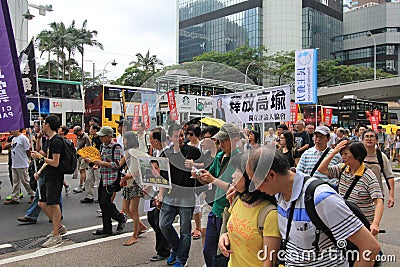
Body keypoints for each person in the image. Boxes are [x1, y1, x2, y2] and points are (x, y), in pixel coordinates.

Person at [247, 146, 380, 266]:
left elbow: (370, 247)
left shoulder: (321, 198)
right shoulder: (278, 193)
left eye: (256, 183)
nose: (256, 188)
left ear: (272, 175)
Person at [218, 152, 281, 267]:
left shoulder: (269, 214)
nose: (233, 175)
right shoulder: (237, 200)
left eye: (238, 171)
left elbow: (269, 261)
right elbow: (235, 229)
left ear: (250, 177)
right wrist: (225, 236)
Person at [194, 123, 240, 267]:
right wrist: (198, 175)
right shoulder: (219, 155)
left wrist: (212, 179)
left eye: (225, 139)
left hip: (229, 211)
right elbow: (210, 176)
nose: (221, 143)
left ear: (235, 139)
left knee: (223, 254)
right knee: (208, 250)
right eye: (219, 140)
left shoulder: (240, 158)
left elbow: (235, 188)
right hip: (215, 209)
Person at [317, 140, 384, 235]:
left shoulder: (368, 176)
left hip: (363, 226)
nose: (343, 157)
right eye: (341, 154)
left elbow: (379, 202)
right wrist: (334, 152)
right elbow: (321, 169)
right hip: (345, 222)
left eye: (346, 154)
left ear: (357, 155)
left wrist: (375, 223)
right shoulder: (342, 168)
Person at [157, 124, 201, 267]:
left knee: (185, 231)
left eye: (182, 135)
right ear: (170, 138)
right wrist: (160, 195)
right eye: (177, 136)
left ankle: (182, 259)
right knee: (163, 225)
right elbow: (163, 177)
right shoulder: (165, 154)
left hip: (187, 197)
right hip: (170, 196)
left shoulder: (193, 151)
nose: (181, 138)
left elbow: (207, 163)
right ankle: (176, 249)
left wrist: (195, 164)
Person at [31, 115, 67, 248]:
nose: (42, 125)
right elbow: (48, 160)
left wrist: (40, 156)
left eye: (44, 123)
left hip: (55, 177)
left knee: (53, 204)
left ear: (48, 125)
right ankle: (59, 227)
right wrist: (39, 171)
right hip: (47, 175)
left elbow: (55, 162)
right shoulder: (50, 140)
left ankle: (56, 235)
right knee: (41, 203)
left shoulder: (56, 141)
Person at [88, 126, 126, 236]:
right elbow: (100, 160)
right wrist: (94, 162)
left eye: (103, 136)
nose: (100, 138)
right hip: (102, 177)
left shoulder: (116, 147)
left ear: (109, 136)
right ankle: (107, 227)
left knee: (106, 203)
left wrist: (102, 163)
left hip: (111, 179)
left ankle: (120, 217)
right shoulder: (102, 146)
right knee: (102, 202)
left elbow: (117, 164)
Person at [119, 131, 148, 245]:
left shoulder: (137, 152)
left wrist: (128, 176)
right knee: (125, 208)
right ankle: (140, 226)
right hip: (128, 181)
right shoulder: (129, 152)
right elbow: (120, 164)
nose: (123, 142)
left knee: (133, 210)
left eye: (125, 140)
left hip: (135, 182)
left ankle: (134, 235)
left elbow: (141, 170)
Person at [147, 127, 171, 262]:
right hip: (158, 191)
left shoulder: (165, 154)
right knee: (153, 218)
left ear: (156, 140)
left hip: (163, 193)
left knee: (159, 221)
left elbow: (164, 178)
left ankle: (163, 250)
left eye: (151, 139)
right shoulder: (159, 152)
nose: (150, 142)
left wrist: (160, 196)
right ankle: (167, 244)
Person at [362, 129, 395, 208]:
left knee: (375, 220)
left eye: (372, 136)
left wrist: (391, 196)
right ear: (362, 140)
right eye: (366, 137)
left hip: (377, 196)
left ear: (376, 140)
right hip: (359, 196)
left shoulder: (381, 156)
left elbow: (389, 176)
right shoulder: (357, 155)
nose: (369, 139)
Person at [4, 129, 35, 205]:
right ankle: (15, 197)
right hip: (15, 163)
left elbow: (27, 149)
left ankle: (33, 194)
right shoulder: (14, 139)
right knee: (15, 181)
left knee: (25, 181)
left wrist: (29, 158)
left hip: (22, 163)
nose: (10, 131)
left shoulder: (23, 138)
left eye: (11, 130)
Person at [81, 124, 102, 203]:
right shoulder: (91, 138)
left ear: (96, 130)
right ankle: (89, 196)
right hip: (91, 162)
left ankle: (101, 197)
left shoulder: (100, 139)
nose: (90, 131)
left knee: (98, 181)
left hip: (97, 162)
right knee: (89, 179)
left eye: (91, 129)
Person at [72, 126, 91, 193]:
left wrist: (86, 156)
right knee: (81, 171)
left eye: (76, 133)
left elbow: (88, 147)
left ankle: (80, 186)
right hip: (80, 155)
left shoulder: (85, 137)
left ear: (80, 131)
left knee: (82, 170)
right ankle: (85, 186)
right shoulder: (79, 137)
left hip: (84, 156)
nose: (76, 134)